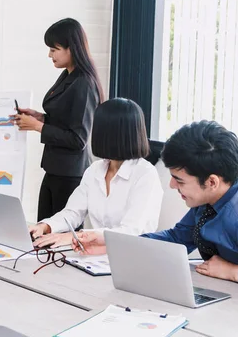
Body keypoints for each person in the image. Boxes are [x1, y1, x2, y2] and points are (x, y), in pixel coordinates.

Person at [72, 120, 238, 297]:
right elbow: (178, 237)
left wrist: (235, 272)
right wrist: (111, 242)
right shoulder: (214, 194)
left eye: (179, 180)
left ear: (211, 182)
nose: (172, 186)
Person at [30, 98, 163, 249]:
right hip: (95, 255)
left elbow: (131, 231)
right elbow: (73, 212)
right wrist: (45, 226)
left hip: (131, 255)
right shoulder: (95, 169)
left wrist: (77, 236)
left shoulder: (145, 174)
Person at [13, 18, 105, 221]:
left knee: (59, 238)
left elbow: (78, 139)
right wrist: (40, 117)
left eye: (54, 49)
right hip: (55, 169)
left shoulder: (84, 84)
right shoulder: (68, 76)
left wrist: (38, 126)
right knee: (42, 231)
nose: (49, 55)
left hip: (70, 175)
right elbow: (65, 119)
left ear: (71, 48)